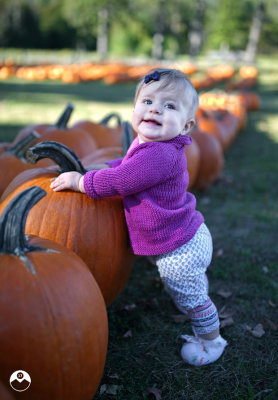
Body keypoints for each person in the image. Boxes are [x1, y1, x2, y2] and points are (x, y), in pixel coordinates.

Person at [50, 68, 227, 366]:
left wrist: (81, 182)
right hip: (184, 234)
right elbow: (127, 163)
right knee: (189, 289)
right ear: (134, 109)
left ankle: (212, 341)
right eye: (147, 101)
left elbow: (122, 180)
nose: (155, 109)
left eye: (170, 106)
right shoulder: (151, 145)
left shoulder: (160, 155)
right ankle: (206, 323)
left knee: (190, 298)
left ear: (186, 126)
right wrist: (105, 164)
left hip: (179, 249)